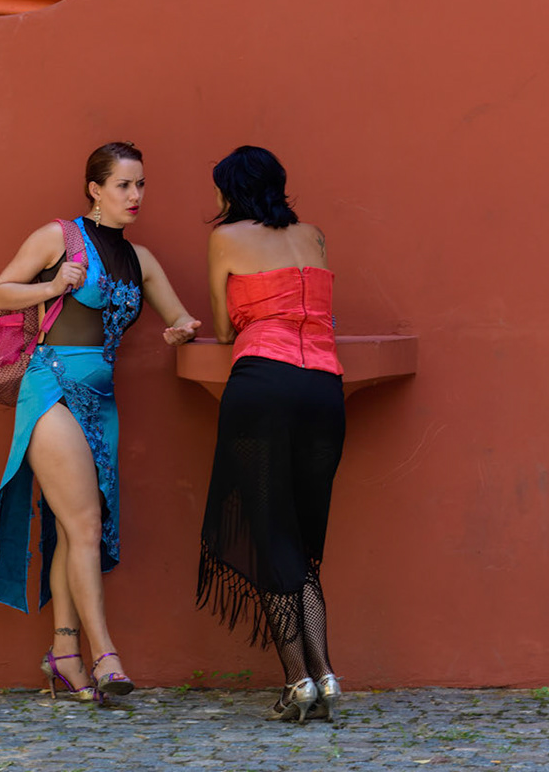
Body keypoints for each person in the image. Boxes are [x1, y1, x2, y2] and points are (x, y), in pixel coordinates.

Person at [0, 141, 201, 701]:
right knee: (83, 526)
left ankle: (65, 655)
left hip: (102, 403)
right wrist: (54, 285)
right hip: (50, 387)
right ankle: (107, 657)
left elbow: (178, 317)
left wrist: (181, 330)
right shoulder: (59, 237)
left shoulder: (140, 260)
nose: (136, 196)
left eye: (142, 185)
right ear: (95, 190)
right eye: (124, 185)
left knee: (73, 531)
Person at [196, 145, 347, 721]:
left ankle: (297, 680)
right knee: (302, 542)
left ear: (231, 192)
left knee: (270, 533)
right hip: (325, 391)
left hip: (262, 388)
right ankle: (324, 674)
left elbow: (219, 323)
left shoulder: (225, 239)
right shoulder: (314, 236)